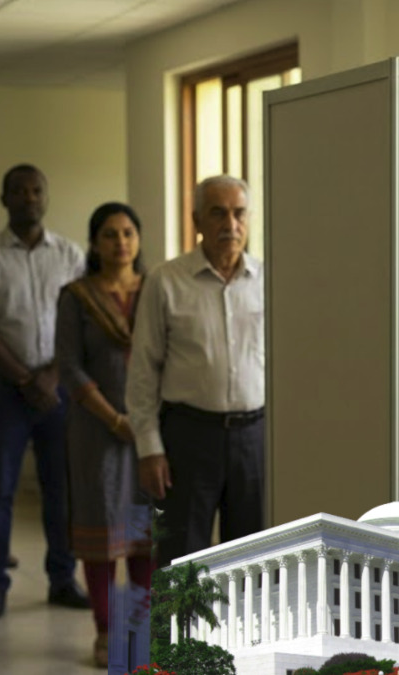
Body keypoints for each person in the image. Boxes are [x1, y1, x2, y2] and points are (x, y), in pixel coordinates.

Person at [0, 163, 89, 619]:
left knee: (61, 489)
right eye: (19, 190)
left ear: (46, 197)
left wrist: (52, 376)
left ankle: (62, 578)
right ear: (4, 198)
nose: (29, 197)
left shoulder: (71, 255)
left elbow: (79, 324)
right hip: (5, 390)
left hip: (58, 389)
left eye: (37, 190)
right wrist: (23, 378)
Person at [127, 175, 265, 565]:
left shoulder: (267, 280)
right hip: (188, 437)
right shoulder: (166, 282)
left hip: (254, 438)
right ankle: (178, 631)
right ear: (196, 220)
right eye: (218, 213)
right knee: (180, 560)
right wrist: (149, 448)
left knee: (254, 560)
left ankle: (245, 630)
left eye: (239, 214)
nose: (230, 224)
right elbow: (142, 371)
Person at [55, 202, 154, 667]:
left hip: (152, 431)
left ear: (138, 239)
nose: (121, 243)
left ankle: (140, 631)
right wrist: (115, 419)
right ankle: (105, 633)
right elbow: (70, 367)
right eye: (110, 234)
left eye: (128, 233)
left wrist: (146, 421)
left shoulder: (156, 290)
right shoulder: (76, 297)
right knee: (101, 535)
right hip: (97, 432)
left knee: (143, 535)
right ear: (95, 243)